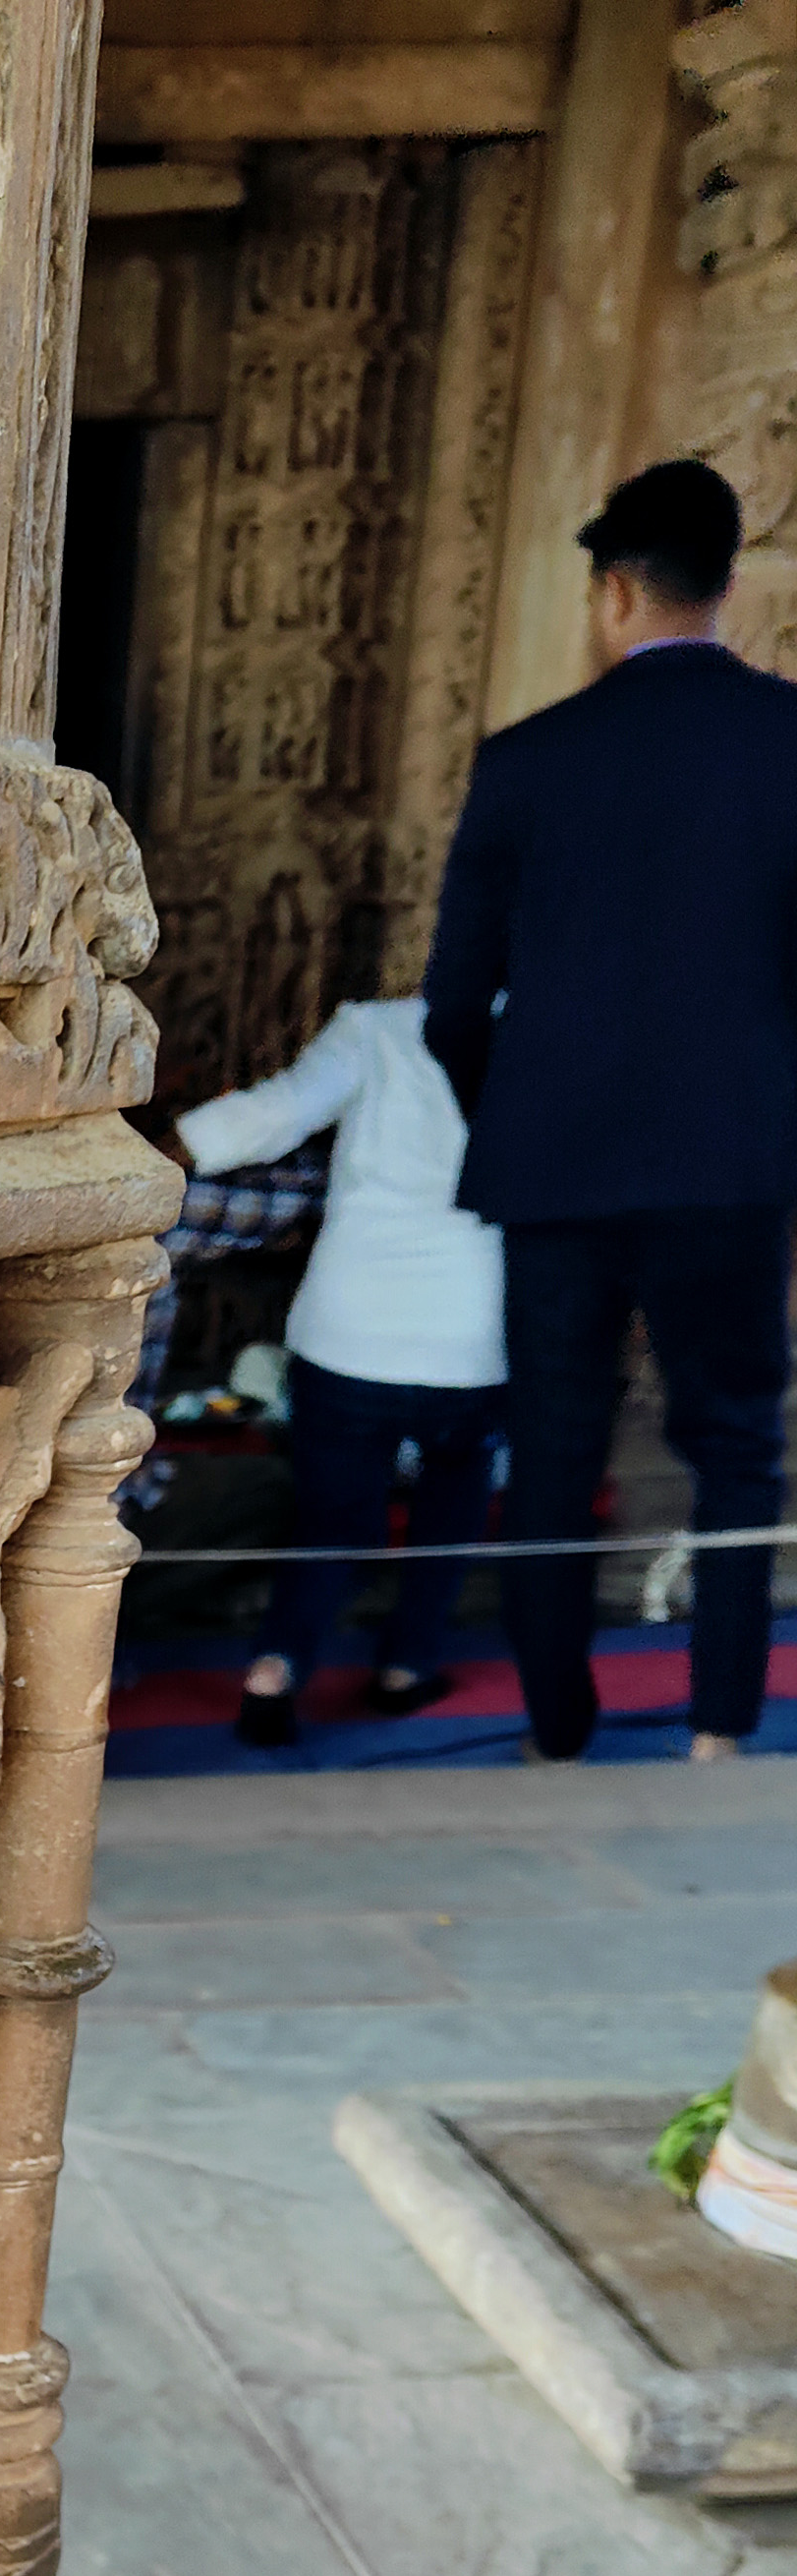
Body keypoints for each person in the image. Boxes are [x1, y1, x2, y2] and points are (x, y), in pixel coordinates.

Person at [424, 457, 797, 1762]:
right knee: (737, 1446)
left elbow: (452, 1002)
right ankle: (718, 1733)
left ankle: (557, 1735)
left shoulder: (526, 760)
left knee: (552, 1444)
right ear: (727, 584)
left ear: (615, 592)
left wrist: (517, 1118)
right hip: (732, 1164)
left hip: (554, 1165)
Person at [173, 1002, 508, 1751]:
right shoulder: (549, 1031)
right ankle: (406, 1665)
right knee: (451, 1506)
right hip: (472, 1328)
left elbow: (273, 1115)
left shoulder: (378, 1028)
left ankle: (276, 1668)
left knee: (329, 1518)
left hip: (350, 1325)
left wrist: (157, 1151)